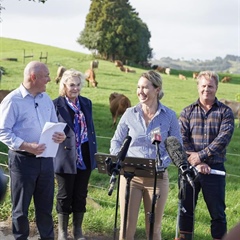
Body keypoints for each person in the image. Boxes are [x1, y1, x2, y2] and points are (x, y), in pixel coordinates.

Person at [110, 70, 182, 240]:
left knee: (154, 229)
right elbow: (116, 141)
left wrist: (161, 163)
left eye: (145, 87)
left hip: (157, 178)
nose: (140, 91)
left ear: (157, 89)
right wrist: (117, 159)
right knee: (126, 228)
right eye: (138, 87)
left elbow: (176, 146)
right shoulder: (129, 114)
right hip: (130, 177)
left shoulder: (170, 116)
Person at [0, 61, 66, 240]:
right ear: (33, 77)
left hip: (46, 161)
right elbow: (2, 132)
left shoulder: (46, 99)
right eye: (46, 76)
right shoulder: (12, 100)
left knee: (45, 208)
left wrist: (60, 136)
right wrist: (26, 146)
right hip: (23, 161)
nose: (50, 79)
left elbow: (54, 126)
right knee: (20, 209)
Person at [178, 71, 235, 240]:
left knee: (217, 213)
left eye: (210, 86)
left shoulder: (225, 112)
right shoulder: (187, 111)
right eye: (203, 86)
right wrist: (196, 162)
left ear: (216, 87)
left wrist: (201, 156)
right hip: (189, 169)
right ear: (198, 87)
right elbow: (182, 139)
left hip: (215, 170)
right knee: (185, 210)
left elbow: (223, 139)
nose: (206, 89)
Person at [53, 69, 97, 240]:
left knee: (80, 194)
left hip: (85, 155)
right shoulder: (55, 104)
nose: (75, 88)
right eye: (72, 85)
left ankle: (77, 231)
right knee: (64, 195)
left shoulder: (87, 103)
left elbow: (90, 130)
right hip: (64, 156)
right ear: (64, 85)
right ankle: (62, 232)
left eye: (78, 85)